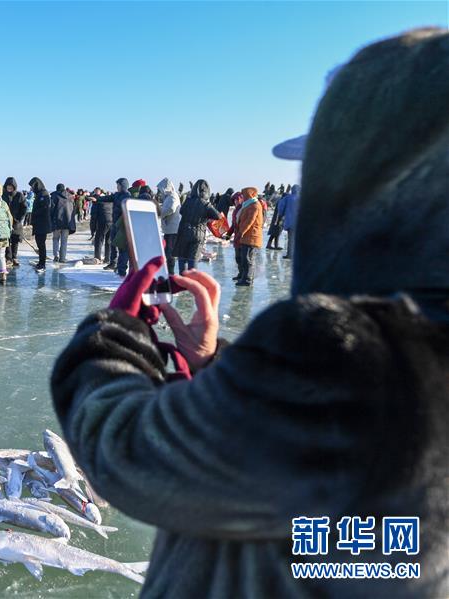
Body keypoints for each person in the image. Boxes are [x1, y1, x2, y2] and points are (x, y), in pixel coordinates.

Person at [50, 28, 449, 599]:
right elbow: (320, 501)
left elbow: (127, 451)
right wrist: (217, 368)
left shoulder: (357, 351)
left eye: (319, 172)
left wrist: (113, 338)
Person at [173, 179, 222, 273]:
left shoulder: (188, 201)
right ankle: (192, 279)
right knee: (193, 259)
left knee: (182, 257)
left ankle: (182, 279)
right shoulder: (206, 204)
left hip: (184, 232)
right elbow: (218, 216)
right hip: (197, 235)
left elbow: (181, 211)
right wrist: (206, 216)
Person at [233, 186, 264, 286]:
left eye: (244, 195)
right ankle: (245, 277)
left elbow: (249, 221)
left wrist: (241, 233)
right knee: (245, 258)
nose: (243, 197)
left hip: (252, 236)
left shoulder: (254, 205)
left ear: (249, 195)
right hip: (247, 236)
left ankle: (247, 280)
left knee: (248, 259)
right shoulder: (248, 205)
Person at [28, 177, 52, 273]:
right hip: (39, 223)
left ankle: (42, 264)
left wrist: (35, 214)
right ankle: (41, 262)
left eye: (32, 186)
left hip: (42, 223)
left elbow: (45, 208)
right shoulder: (39, 194)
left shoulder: (44, 194)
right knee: (39, 243)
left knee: (41, 244)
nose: (31, 189)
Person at [157, 178, 181, 273]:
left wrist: (161, 214)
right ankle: (168, 272)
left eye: (160, 189)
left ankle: (171, 273)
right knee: (167, 252)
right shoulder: (168, 197)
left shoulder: (173, 196)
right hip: (169, 229)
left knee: (170, 253)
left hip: (173, 229)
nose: (160, 192)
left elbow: (171, 209)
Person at [1, 178, 26, 267]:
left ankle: (14, 257)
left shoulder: (19, 195)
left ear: (14, 187)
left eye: (11, 186)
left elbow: (24, 208)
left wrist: (19, 218)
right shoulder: (3, 195)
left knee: (15, 240)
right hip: (5, 222)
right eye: (8, 186)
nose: (9, 188)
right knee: (6, 240)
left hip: (16, 222)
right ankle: (8, 258)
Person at [50, 183, 75, 263]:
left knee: (55, 239)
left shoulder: (54, 196)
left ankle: (56, 255)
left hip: (56, 221)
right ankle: (63, 258)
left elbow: (51, 209)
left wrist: (50, 220)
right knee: (64, 241)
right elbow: (72, 210)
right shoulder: (70, 196)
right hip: (67, 222)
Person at [90, 187, 113, 265]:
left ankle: (97, 258)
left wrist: (92, 230)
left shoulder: (96, 203)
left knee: (99, 240)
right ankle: (107, 259)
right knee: (108, 241)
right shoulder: (110, 202)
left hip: (102, 222)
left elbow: (93, 218)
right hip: (112, 222)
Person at [279, 185, 301, 259]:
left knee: (291, 238)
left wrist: (281, 214)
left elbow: (281, 207)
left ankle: (290, 254)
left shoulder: (287, 198)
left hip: (290, 222)